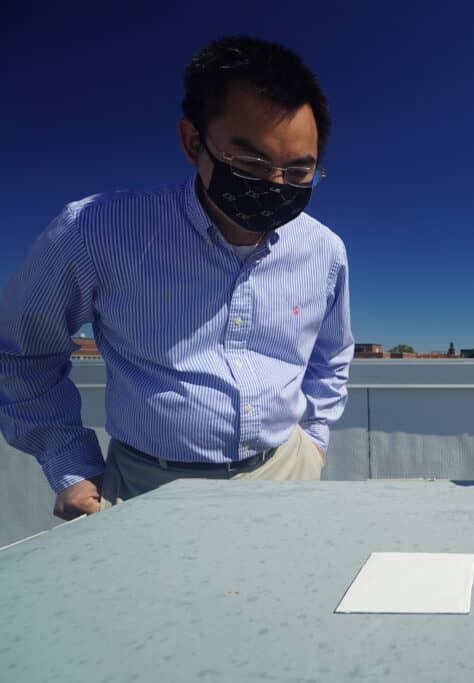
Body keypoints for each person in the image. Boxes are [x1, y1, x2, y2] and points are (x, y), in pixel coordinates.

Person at [0, 36, 354, 520]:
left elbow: (330, 357)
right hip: (148, 487)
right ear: (193, 142)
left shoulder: (324, 250)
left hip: (287, 473)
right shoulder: (96, 230)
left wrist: (313, 441)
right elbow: (22, 350)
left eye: (297, 173)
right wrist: (70, 462)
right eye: (250, 163)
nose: (274, 185)